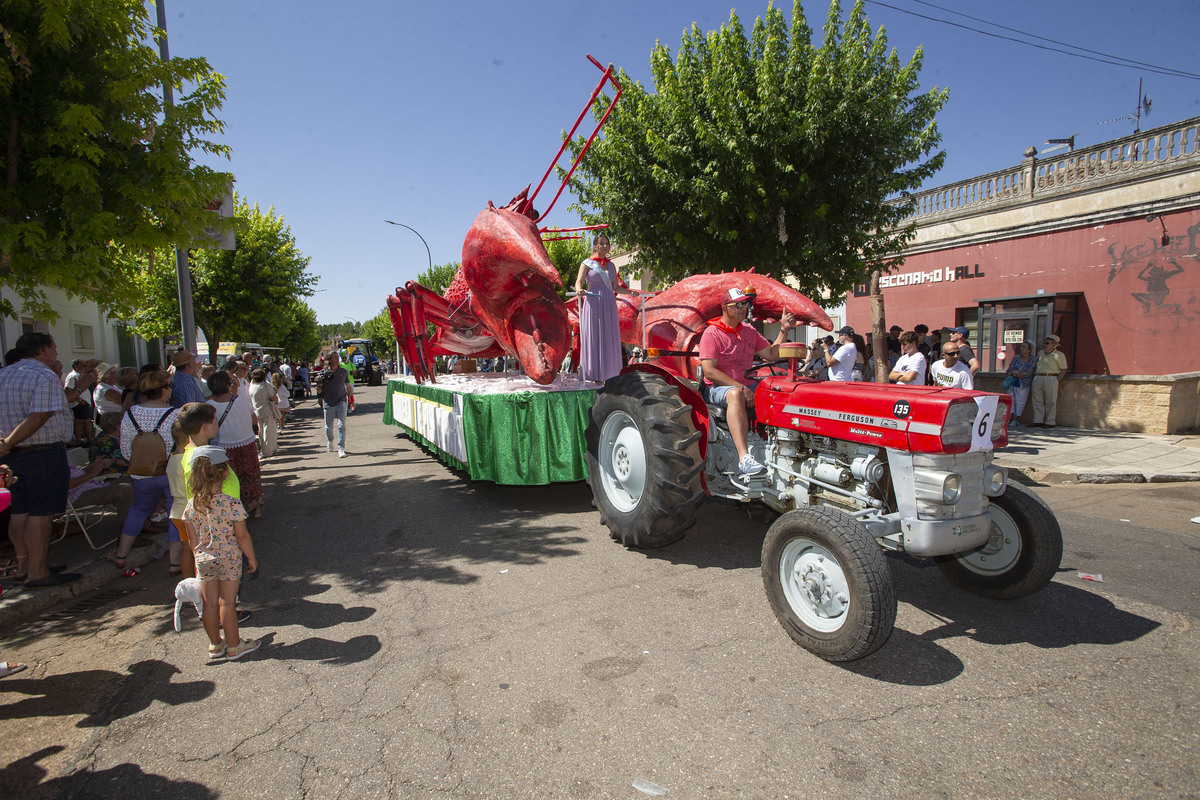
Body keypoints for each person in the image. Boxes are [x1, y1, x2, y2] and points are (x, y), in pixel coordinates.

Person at [0, 333, 82, 587]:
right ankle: (37, 572)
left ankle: (27, 566)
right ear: (44, 350)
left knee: (20, 510)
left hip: (13, 455)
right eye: (54, 348)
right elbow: (38, 416)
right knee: (41, 513)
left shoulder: (4, 374)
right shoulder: (43, 375)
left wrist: (6, 445)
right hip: (41, 452)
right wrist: (8, 443)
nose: (57, 353)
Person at [698, 286, 797, 476]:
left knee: (780, 389)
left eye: (745, 304)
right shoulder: (712, 333)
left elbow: (771, 354)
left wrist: (783, 329)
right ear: (725, 308)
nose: (743, 308)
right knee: (735, 394)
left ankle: (782, 446)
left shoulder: (749, 331)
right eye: (738, 305)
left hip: (747, 384)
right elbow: (709, 372)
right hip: (718, 388)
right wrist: (742, 387)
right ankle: (744, 458)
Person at [183, 445, 260, 661]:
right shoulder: (231, 503)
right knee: (227, 602)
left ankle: (216, 644)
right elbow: (242, 536)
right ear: (224, 472)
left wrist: (199, 557)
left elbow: (192, 540)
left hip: (204, 559)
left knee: (209, 603)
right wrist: (251, 557)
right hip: (229, 557)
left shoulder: (191, 505)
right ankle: (235, 645)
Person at [109, 370, 178, 570]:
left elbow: (125, 448)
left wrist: (141, 461)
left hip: (142, 473)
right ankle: (175, 560)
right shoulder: (174, 413)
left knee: (138, 511)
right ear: (164, 390)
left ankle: (121, 555)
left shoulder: (131, 413)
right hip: (169, 471)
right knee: (175, 512)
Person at [574, 233, 634, 383]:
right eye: (601, 243)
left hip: (608, 302)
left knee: (608, 335)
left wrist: (630, 292)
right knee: (594, 335)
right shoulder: (587, 263)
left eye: (606, 243)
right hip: (593, 302)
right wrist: (579, 290)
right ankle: (592, 374)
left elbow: (616, 288)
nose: (604, 246)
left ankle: (610, 374)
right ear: (595, 246)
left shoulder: (611, 265)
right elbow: (578, 282)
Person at [206, 371, 263, 517]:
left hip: (222, 448)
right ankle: (253, 506)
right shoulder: (241, 400)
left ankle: (231, 510)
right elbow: (254, 420)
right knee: (250, 476)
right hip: (246, 443)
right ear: (227, 385)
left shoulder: (208, 406)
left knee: (227, 479)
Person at [165, 420, 193, 578]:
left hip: (177, 510)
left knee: (186, 549)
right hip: (191, 510)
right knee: (198, 550)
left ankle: (188, 581)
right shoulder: (188, 459)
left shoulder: (172, 459)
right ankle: (201, 585)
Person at [318, 352, 355, 458]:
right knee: (328, 427)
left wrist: (352, 400)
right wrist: (318, 383)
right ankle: (330, 440)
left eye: (337, 357)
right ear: (330, 360)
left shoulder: (343, 371)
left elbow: (348, 387)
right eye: (335, 357)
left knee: (341, 425)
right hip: (328, 402)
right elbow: (319, 389)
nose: (337, 359)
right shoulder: (324, 372)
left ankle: (341, 448)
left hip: (341, 400)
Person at [1030, 334, 1068, 428]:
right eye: (1044, 343)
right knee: (1037, 400)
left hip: (1051, 377)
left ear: (1054, 344)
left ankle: (1050, 421)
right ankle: (1037, 420)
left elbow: (1063, 369)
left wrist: (1057, 380)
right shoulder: (1040, 353)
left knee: (1051, 401)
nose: (1045, 345)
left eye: (1047, 343)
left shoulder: (1059, 355)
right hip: (1038, 376)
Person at [248, 368, 279, 458]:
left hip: (256, 410)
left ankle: (263, 449)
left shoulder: (252, 386)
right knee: (269, 431)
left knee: (261, 431)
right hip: (267, 409)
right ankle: (268, 450)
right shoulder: (266, 385)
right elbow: (274, 397)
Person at [1005, 341, 1038, 426]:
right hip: (1012, 381)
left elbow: (1030, 371)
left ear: (1029, 350)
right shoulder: (1016, 357)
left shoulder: (1033, 359)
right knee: (1011, 400)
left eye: (1024, 347)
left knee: (1020, 401)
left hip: (1023, 383)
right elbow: (1010, 368)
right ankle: (1009, 418)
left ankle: (1016, 419)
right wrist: (1013, 372)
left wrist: (1020, 374)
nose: (1021, 348)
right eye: (1021, 346)